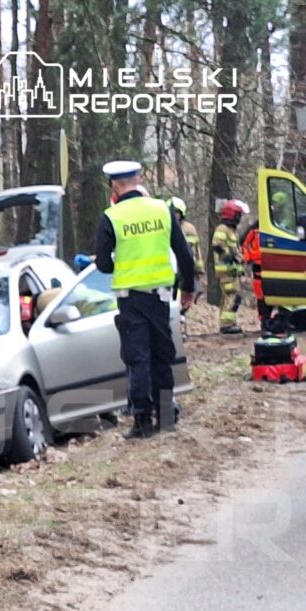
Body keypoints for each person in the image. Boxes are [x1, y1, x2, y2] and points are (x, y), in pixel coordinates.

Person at [95, 160, 195, 439]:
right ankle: (166, 418)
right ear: (138, 179)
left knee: (137, 358)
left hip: (130, 300)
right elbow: (184, 254)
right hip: (160, 297)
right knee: (162, 356)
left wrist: (122, 262)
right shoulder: (162, 210)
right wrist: (188, 287)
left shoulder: (111, 217)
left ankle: (142, 422)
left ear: (114, 185)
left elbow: (103, 264)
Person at [212, 199, 248, 334]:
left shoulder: (232, 231)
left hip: (232, 272)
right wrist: (230, 257)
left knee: (229, 297)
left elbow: (235, 250)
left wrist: (241, 260)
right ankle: (227, 325)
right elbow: (217, 245)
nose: (239, 218)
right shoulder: (222, 229)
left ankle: (227, 323)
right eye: (238, 215)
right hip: (226, 272)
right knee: (233, 296)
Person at [168, 197, 204, 303]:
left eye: (176, 213)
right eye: (172, 212)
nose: (174, 215)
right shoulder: (165, 226)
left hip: (185, 267)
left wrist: (198, 270)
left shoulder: (189, 229)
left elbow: (196, 251)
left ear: (182, 213)